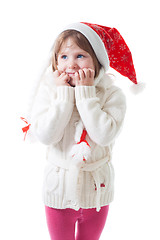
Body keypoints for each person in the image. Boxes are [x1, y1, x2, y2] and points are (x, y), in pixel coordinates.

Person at [22, 22, 137, 240]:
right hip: (58, 192)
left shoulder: (112, 95)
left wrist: (86, 93)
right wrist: (63, 96)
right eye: (64, 57)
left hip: (96, 193)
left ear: (97, 60)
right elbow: (47, 136)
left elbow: (104, 135)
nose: (71, 64)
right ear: (55, 61)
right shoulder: (49, 90)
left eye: (80, 56)